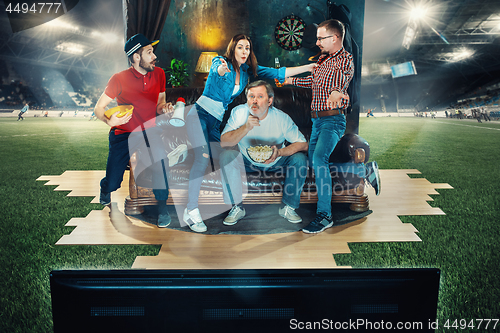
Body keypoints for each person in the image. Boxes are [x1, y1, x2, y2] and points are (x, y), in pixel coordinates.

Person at [183, 34, 315, 233]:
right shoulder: (222, 62)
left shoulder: (246, 71)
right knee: (203, 158)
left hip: (215, 121)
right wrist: (221, 69)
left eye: (247, 48)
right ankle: (191, 210)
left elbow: (277, 72)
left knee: (218, 155)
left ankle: (184, 151)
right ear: (232, 49)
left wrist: (307, 68)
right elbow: (216, 69)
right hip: (200, 114)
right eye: (240, 47)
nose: (244, 51)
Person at [286, 19, 379, 234]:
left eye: (321, 38)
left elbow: (342, 82)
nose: (317, 42)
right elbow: (314, 81)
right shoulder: (322, 60)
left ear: (335, 38)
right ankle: (364, 170)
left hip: (333, 119)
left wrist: (337, 92)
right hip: (316, 120)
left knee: (319, 159)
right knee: (314, 160)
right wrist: (292, 82)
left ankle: (325, 216)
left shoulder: (345, 59)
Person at [94, 33, 174, 228]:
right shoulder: (118, 79)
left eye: (152, 51)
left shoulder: (159, 74)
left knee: (160, 162)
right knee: (113, 182)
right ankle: (105, 188)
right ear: (137, 57)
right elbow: (98, 108)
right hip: (124, 133)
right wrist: (109, 121)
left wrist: (165, 109)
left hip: (149, 130)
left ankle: (162, 208)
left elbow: (160, 103)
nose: (154, 56)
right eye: (149, 52)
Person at [219, 80, 308, 225]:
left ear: (270, 100)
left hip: (275, 160)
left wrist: (279, 153)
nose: (254, 101)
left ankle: (288, 207)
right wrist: (246, 127)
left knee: (299, 159)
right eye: (251, 96)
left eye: (260, 96)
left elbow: (303, 144)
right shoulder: (239, 112)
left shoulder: (281, 118)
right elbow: (224, 142)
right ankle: (236, 208)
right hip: (246, 161)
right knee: (226, 156)